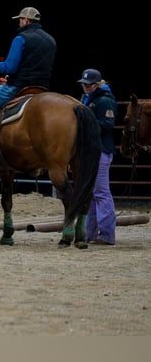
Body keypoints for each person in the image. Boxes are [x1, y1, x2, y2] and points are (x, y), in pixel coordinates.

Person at [0, 6, 56, 171]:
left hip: (18, 86)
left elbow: (10, 68)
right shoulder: (51, 40)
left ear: (25, 20)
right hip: (42, 88)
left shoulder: (21, 38)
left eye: (20, 20)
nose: (19, 23)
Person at [77, 68, 117, 245]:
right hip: (91, 151)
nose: (85, 88)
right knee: (91, 193)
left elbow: (108, 124)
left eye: (88, 85)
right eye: (84, 85)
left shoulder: (104, 101)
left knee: (101, 193)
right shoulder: (87, 100)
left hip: (100, 150)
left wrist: (87, 123)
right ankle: (91, 233)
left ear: (95, 85)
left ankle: (106, 234)